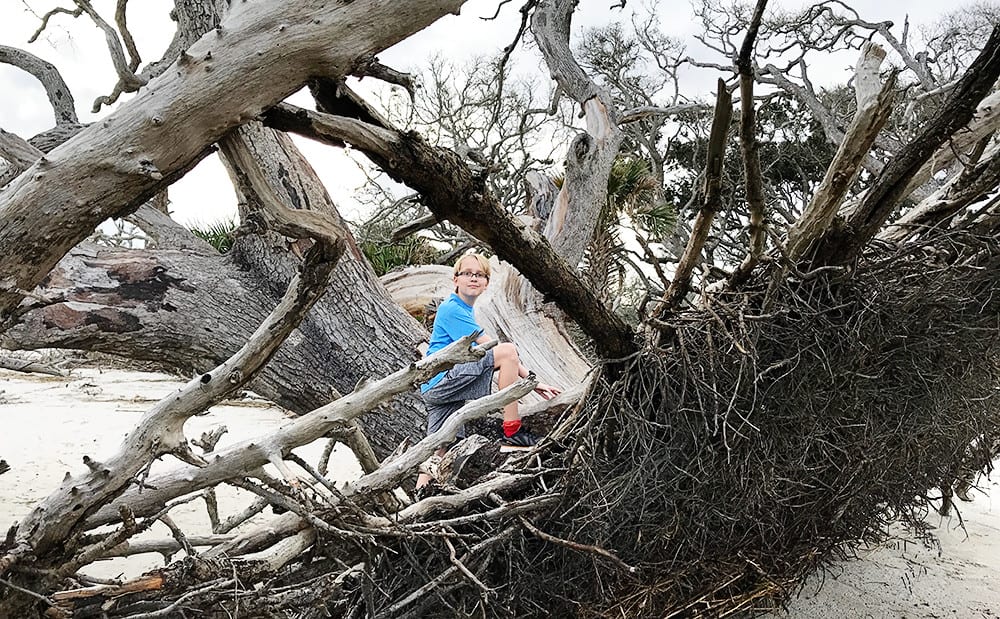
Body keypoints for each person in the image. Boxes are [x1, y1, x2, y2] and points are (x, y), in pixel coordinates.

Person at [416, 253, 561, 487]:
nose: (474, 278)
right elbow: (491, 347)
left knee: (438, 447)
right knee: (507, 351)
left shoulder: (462, 308)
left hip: (435, 388)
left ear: (486, 283)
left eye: (480, 275)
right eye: (468, 274)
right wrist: (532, 381)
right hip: (441, 381)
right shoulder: (451, 309)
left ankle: (417, 499)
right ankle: (512, 431)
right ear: (456, 279)